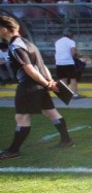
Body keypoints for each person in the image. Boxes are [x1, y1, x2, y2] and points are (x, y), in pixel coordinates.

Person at [0, 15, 74, 161]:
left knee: (21, 117)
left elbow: (30, 69)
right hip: (39, 85)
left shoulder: (16, 46)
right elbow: (41, 65)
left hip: (29, 85)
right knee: (51, 113)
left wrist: (48, 83)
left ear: (3, 29)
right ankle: (67, 141)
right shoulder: (28, 43)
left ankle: (13, 150)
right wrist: (49, 81)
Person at [54, 32, 83, 99]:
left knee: (63, 78)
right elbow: (73, 52)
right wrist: (77, 58)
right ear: (71, 36)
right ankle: (75, 94)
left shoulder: (57, 41)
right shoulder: (71, 41)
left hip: (59, 62)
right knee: (73, 78)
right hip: (68, 62)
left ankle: (65, 94)